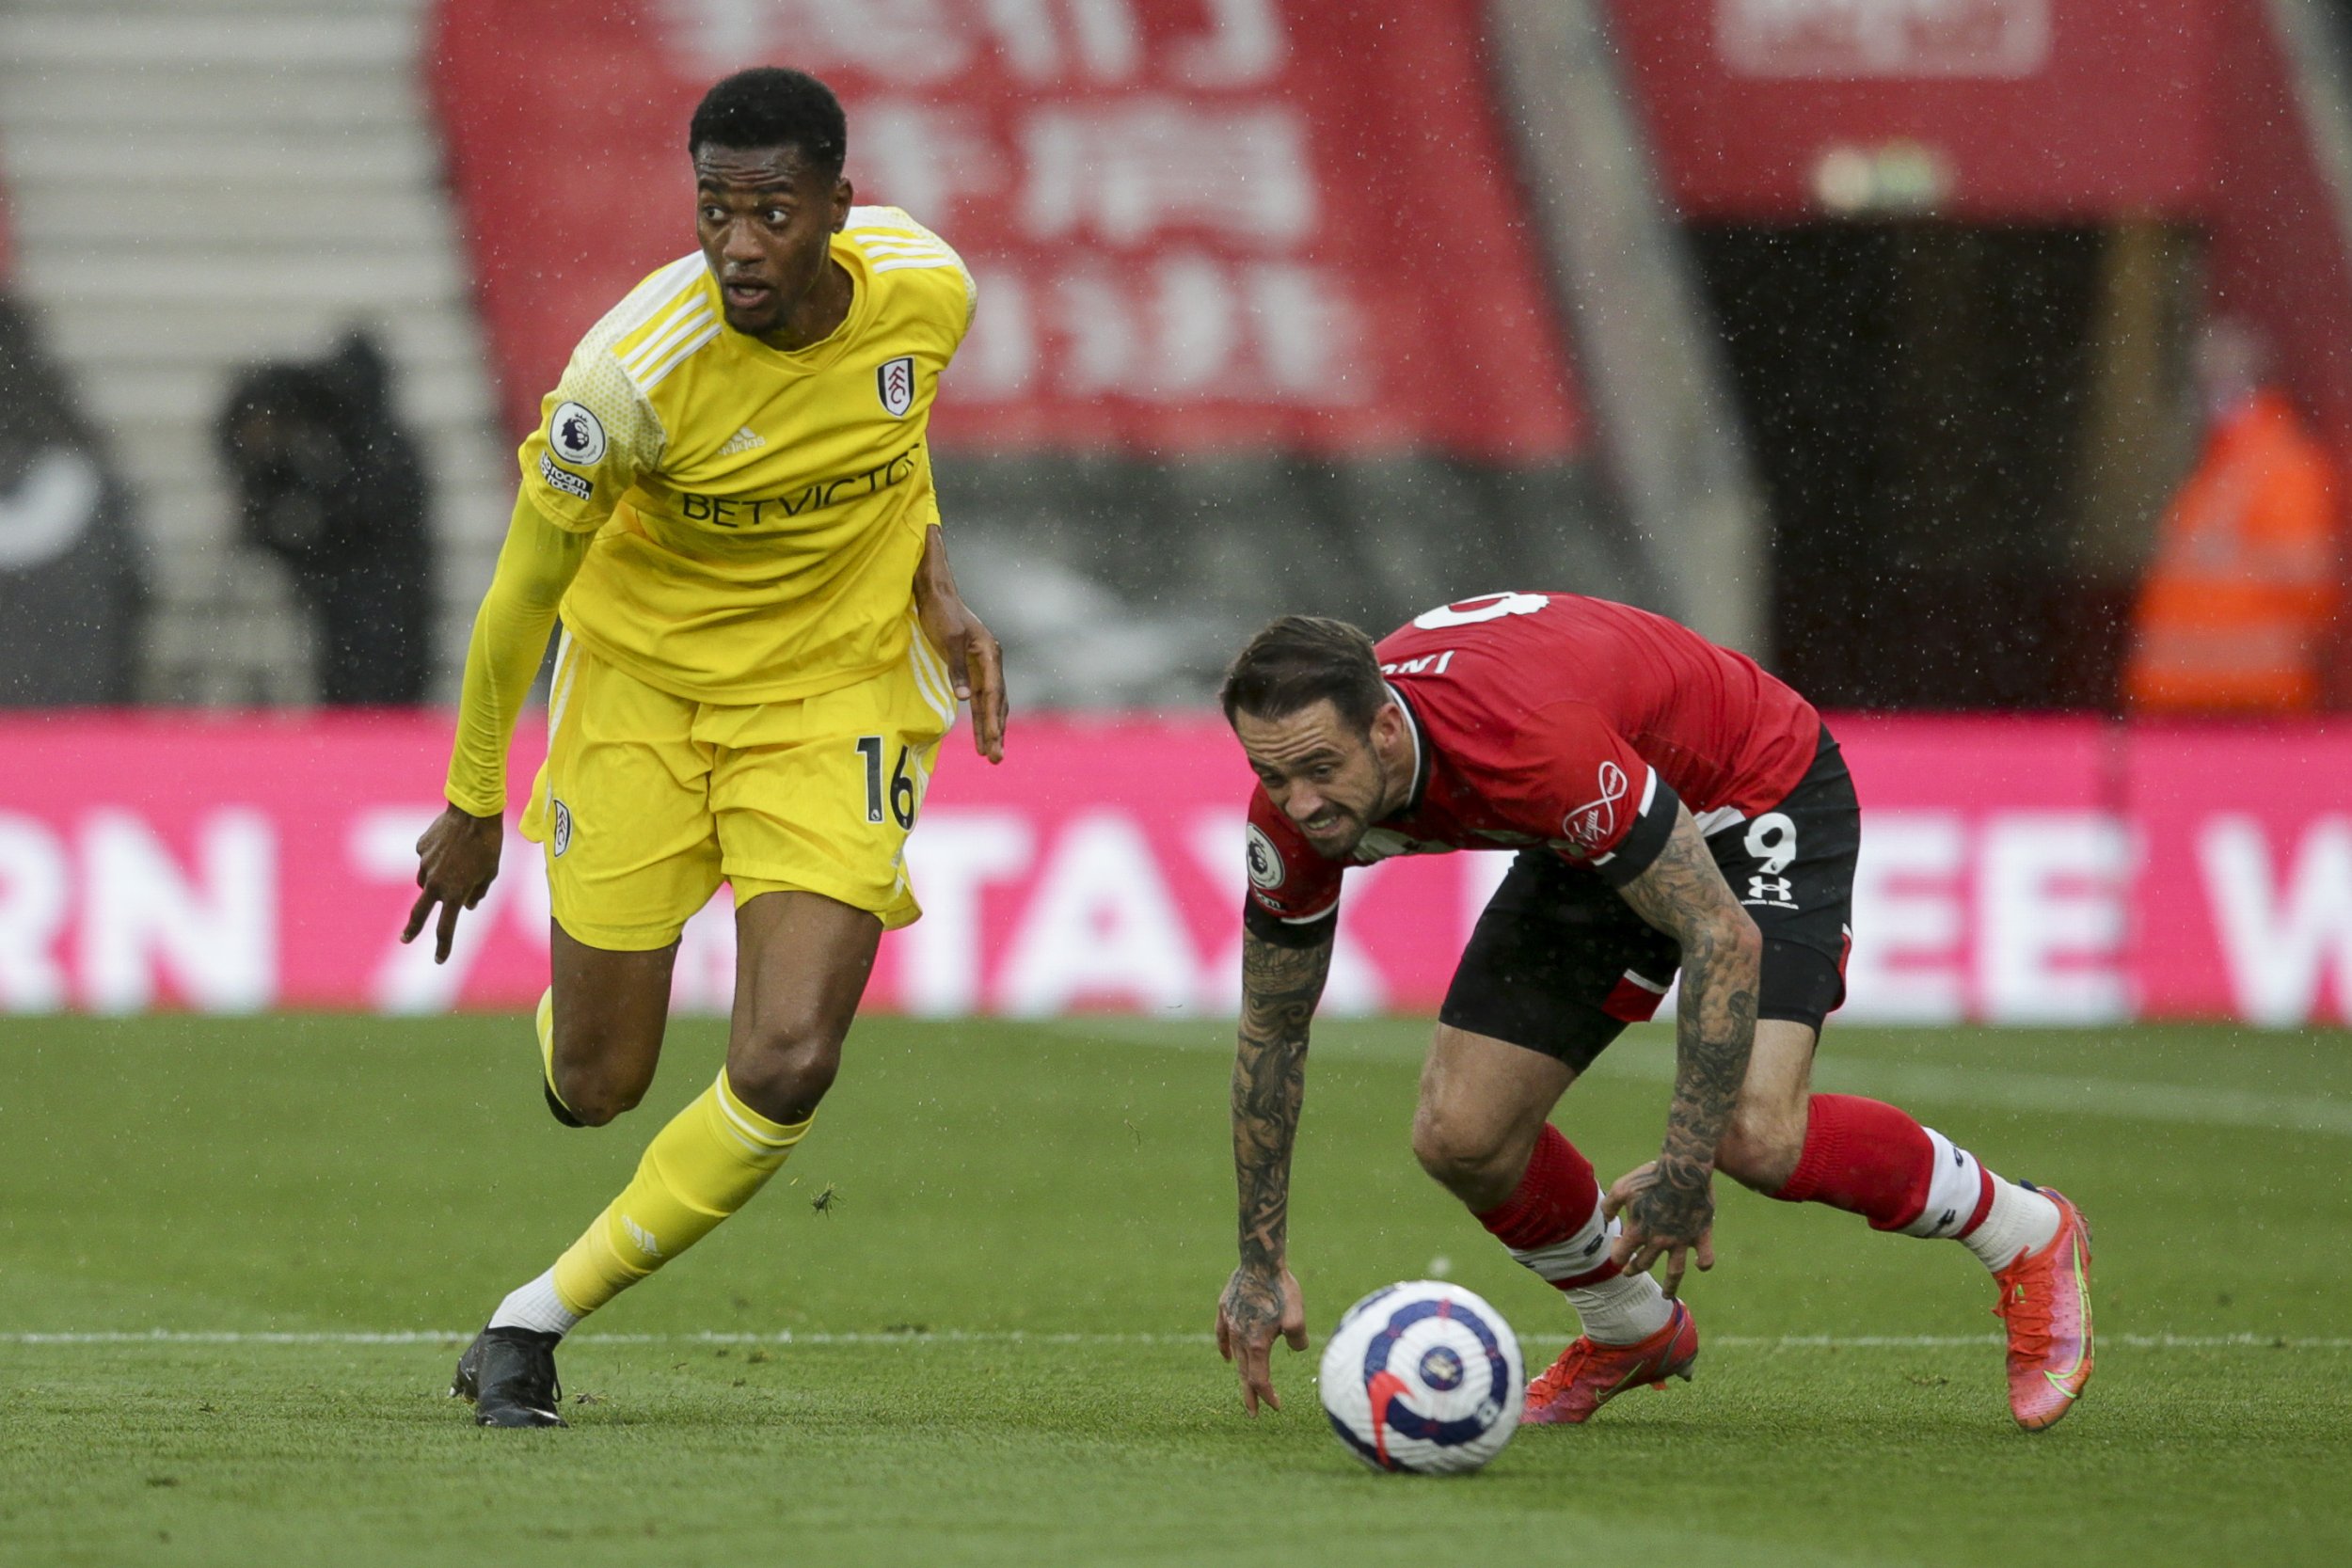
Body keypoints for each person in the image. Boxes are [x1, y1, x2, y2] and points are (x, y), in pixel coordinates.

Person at [401, 67, 1006, 1427]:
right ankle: (580, 1011)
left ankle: (531, 1315)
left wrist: (934, 583)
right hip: (642, 701)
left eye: (771, 213)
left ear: (839, 211)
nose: (738, 243)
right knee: (597, 1082)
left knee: (790, 1054)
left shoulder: (930, 290)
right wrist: (474, 797)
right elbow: (517, 597)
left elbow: (890, 441)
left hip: (832, 699)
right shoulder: (623, 379)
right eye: (715, 211)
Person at [1211, 594, 2092, 1434]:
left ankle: (2027, 1231)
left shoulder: (1528, 739)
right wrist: (1259, 1263)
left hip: (1751, 790)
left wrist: (1684, 1164)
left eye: (1321, 769)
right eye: (1272, 775)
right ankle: (1632, 1327)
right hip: (1592, 820)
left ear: (1387, 726)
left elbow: (1721, 932)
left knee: (1753, 1136)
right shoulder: (1293, 818)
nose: (1303, 804)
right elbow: (1273, 1029)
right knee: (1461, 1134)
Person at [2122, 318, 2339, 713]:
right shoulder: (2216, 470)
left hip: (2249, 700)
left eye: (2219, 381)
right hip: (2188, 700)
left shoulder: (2285, 467)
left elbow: (2310, 583)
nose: (2207, 398)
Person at [217, 330, 432, 704]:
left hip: (375, 602)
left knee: (373, 689)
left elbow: (355, 515)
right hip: (369, 602)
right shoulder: (368, 444)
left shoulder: (375, 451)